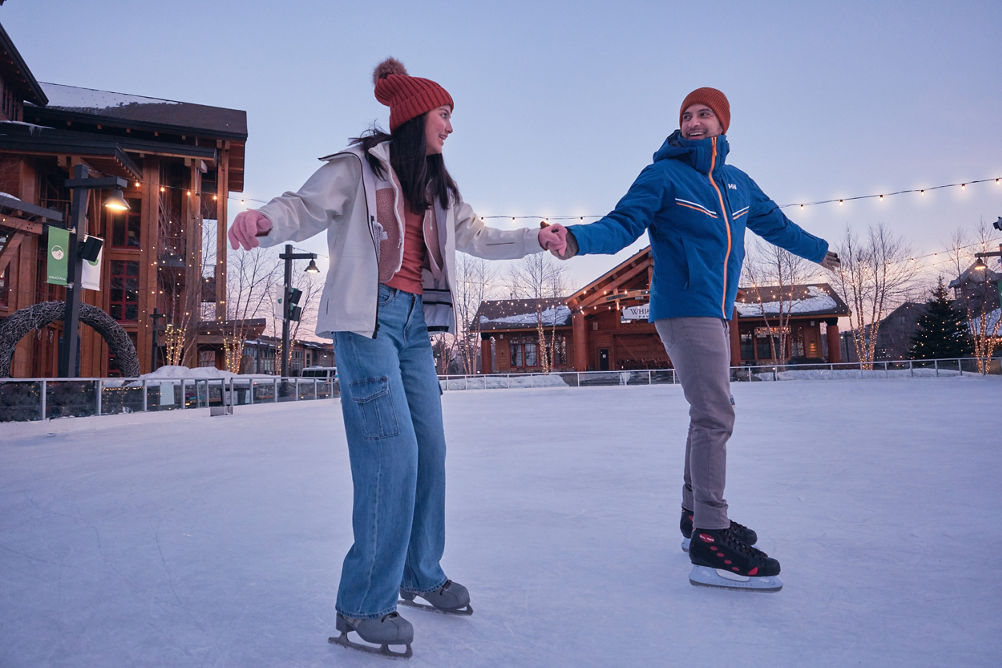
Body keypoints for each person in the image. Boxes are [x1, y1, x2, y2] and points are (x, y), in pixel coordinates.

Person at [229, 58, 566, 656]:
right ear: (415, 118)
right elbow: (302, 207)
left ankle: (417, 571)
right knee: (392, 451)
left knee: (429, 448)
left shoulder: (439, 189)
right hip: (367, 321)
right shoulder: (357, 169)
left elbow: (480, 236)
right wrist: (263, 221)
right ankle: (362, 602)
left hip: (415, 328)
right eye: (444, 114)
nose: (451, 127)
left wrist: (533, 238)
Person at [544, 87, 840, 592]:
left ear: (723, 124)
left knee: (707, 410)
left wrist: (820, 251)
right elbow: (622, 225)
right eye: (687, 114)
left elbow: (777, 225)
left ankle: (694, 516)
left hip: (717, 309)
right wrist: (574, 239)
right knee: (715, 414)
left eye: (705, 114)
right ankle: (710, 536)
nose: (695, 121)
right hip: (683, 306)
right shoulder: (663, 176)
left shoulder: (736, 183)